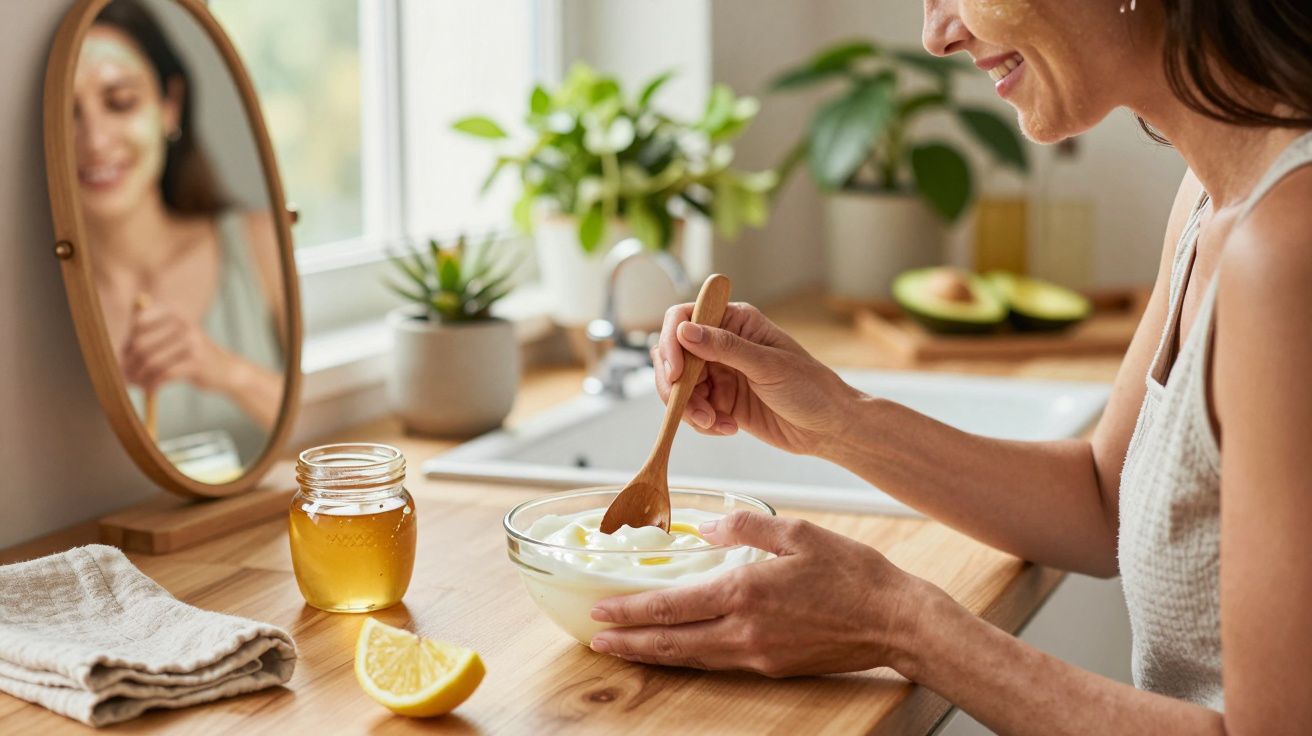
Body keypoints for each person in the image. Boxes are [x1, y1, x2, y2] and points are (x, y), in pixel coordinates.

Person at [588, 1, 1312, 731]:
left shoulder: (1289, 244)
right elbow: (1104, 501)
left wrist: (900, 624)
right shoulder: (1211, 196)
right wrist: (836, 421)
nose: (937, 35)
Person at [73, 0, 285, 465]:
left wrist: (226, 371)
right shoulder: (29, 308)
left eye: (120, 102)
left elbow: (331, 442)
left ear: (170, 106)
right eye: (69, 115)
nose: (94, 141)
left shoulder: (258, 244)